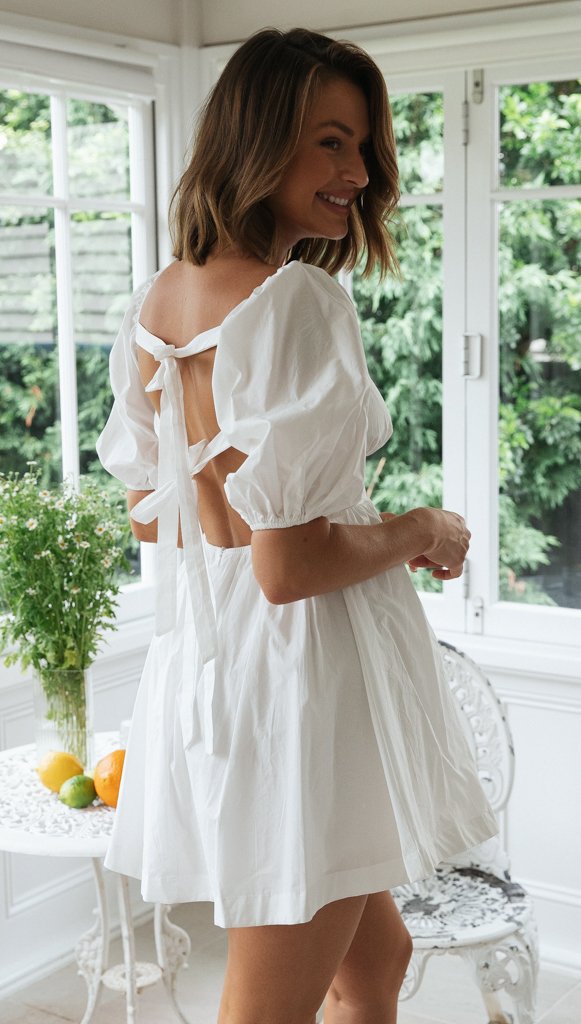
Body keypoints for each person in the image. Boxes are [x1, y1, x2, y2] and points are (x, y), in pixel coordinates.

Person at [96, 26, 498, 1024]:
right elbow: (285, 565)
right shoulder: (294, 302)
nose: (357, 174)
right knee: (263, 1007)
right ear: (256, 138)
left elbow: (165, 523)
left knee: (373, 960)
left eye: (361, 147)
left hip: (215, 668)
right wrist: (419, 528)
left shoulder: (163, 301)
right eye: (329, 141)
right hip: (299, 689)